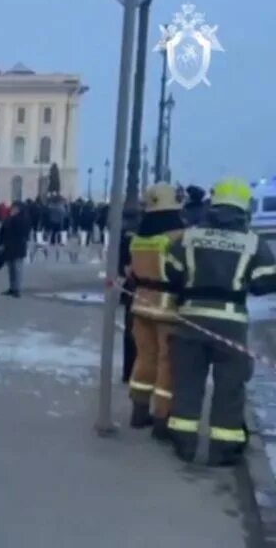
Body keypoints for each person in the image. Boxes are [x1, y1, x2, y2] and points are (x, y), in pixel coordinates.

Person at [164, 178, 276, 466]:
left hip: (190, 318)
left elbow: (171, 271)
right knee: (230, 385)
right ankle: (223, 449)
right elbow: (266, 282)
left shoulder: (190, 236)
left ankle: (184, 442)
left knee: (188, 381)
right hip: (231, 322)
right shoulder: (253, 242)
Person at [125, 184, 185, 438]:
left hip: (140, 304)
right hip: (168, 308)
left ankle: (139, 411)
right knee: (167, 363)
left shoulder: (139, 238)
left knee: (144, 357)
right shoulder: (178, 237)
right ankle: (162, 418)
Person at [118, 206, 141, 383]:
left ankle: (128, 372)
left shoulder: (127, 231)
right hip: (155, 292)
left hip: (132, 287)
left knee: (130, 333)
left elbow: (122, 260)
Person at [0, 201, 30, 297]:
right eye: (12, 208)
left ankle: (17, 289)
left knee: (17, 268)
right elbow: (3, 230)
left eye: (14, 208)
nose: (12, 209)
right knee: (11, 269)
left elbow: (22, 232)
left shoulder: (23, 219)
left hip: (18, 247)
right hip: (9, 246)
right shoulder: (10, 218)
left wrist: (13, 218)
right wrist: (1, 243)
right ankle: (12, 288)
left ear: (19, 209)